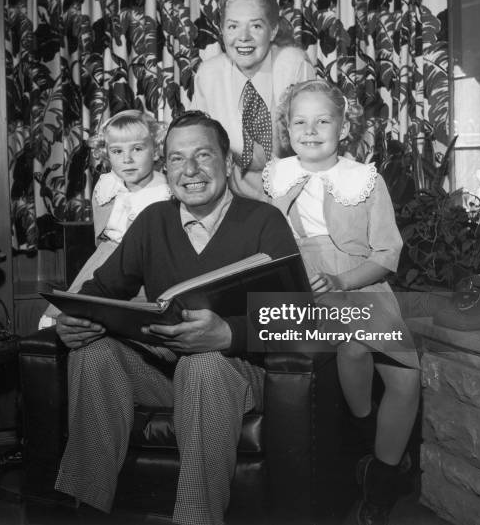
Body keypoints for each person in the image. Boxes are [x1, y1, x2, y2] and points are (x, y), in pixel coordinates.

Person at [54, 111, 299, 525]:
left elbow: (300, 319)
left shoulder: (264, 221)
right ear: (165, 166)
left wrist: (227, 333)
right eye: (176, 158)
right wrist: (73, 319)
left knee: (202, 365)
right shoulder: (153, 221)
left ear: (226, 160)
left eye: (203, 156)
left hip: (237, 373)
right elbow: (101, 291)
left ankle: (196, 519)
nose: (190, 171)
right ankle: (86, 510)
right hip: (166, 372)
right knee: (92, 355)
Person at [262, 80, 420, 525]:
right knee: (352, 349)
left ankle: (381, 477)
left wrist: (340, 280)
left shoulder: (364, 179)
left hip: (359, 282)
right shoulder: (275, 177)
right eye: (299, 121)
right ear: (286, 128)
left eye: (323, 120)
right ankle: (368, 442)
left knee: (407, 380)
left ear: (343, 125)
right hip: (300, 288)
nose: (310, 130)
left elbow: (387, 254)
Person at [38, 109, 171, 329]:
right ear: (106, 155)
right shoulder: (108, 187)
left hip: (147, 264)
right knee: (99, 267)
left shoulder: (164, 192)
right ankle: (67, 314)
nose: (127, 159)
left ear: (156, 151)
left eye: (137, 149)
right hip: (107, 260)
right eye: (117, 151)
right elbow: (100, 237)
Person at [192, 0, 315, 201]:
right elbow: (201, 149)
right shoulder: (209, 75)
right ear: (221, 31)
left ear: (273, 30)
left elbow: (312, 143)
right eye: (233, 26)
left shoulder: (293, 64)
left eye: (256, 26)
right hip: (230, 199)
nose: (243, 37)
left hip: (296, 193)